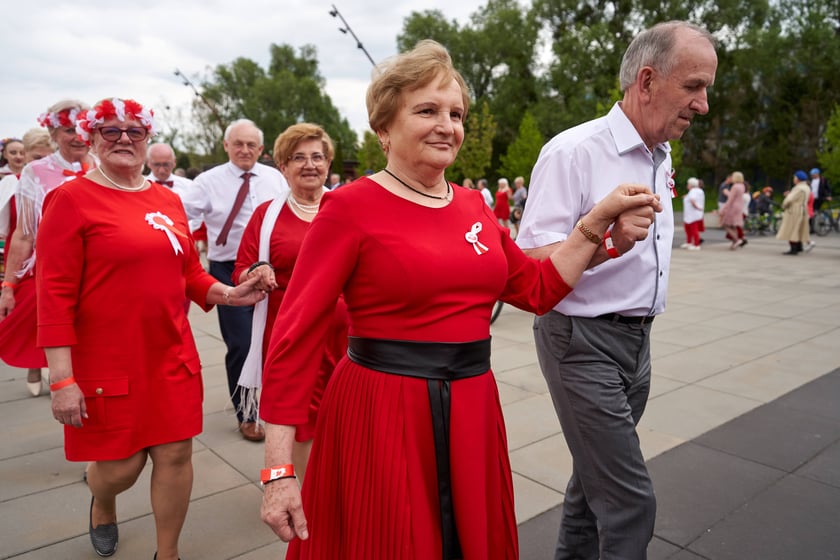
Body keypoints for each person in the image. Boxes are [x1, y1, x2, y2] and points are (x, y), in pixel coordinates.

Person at [258, 39, 661, 559]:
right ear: (383, 128)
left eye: (456, 113)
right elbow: (294, 337)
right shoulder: (348, 208)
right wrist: (278, 470)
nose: (447, 125)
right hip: (381, 411)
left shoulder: (472, 205)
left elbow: (536, 289)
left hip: (471, 406)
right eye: (427, 110)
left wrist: (596, 232)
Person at [516, 21, 717, 559]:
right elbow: (530, 263)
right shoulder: (574, 151)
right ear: (647, 80)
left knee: (591, 490)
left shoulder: (661, 153)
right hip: (581, 342)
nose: (702, 105)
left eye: (706, 90)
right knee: (631, 504)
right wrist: (604, 240)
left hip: (637, 344)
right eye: (693, 87)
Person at [36, 98, 268, 560]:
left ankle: (169, 553)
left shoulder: (167, 199)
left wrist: (229, 292)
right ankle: (103, 503)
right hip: (106, 360)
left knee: (176, 456)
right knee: (120, 468)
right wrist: (62, 379)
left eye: (134, 131)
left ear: (147, 139)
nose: (123, 138)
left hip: (170, 352)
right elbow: (53, 294)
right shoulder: (70, 199)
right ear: (93, 138)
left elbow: (187, 273)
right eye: (110, 130)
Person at [233, 123, 349, 481]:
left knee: (345, 414)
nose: (309, 164)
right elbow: (240, 270)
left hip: (347, 337)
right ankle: (304, 494)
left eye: (317, 156)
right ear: (282, 166)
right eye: (298, 157)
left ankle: (338, 484)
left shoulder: (347, 209)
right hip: (290, 334)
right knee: (300, 418)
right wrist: (258, 270)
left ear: (328, 163)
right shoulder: (267, 215)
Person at [180, 119, 288, 442]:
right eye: (238, 144)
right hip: (227, 269)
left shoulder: (276, 178)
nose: (244, 150)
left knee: (277, 340)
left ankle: (278, 405)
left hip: (273, 269)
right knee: (241, 342)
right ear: (226, 146)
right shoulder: (206, 181)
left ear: (261, 150)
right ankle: (247, 412)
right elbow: (178, 218)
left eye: (251, 145)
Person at [0, 100, 95, 397]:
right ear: (53, 133)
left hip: (102, 271)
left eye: (82, 128)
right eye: (69, 129)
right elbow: (24, 234)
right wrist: (8, 285)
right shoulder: (35, 172)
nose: (78, 135)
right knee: (60, 343)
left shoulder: (106, 165)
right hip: (57, 274)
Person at [777, 170, 812, 255]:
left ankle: (793, 248)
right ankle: (799, 246)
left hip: (794, 210)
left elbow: (789, 199)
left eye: (794, 177)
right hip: (803, 209)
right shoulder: (807, 187)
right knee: (799, 228)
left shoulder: (798, 188)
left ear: (797, 179)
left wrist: (784, 205)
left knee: (792, 228)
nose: (794, 179)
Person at [720, 171, 747, 249]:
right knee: (734, 225)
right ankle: (734, 242)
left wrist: (724, 209)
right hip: (739, 206)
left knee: (726, 224)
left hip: (733, 207)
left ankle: (737, 240)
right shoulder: (742, 186)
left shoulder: (735, 186)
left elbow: (730, 199)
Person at [681, 177, 705, 250]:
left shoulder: (693, 191)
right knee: (689, 229)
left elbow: (692, 200)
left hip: (691, 215)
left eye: (688, 184)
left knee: (693, 230)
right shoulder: (698, 191)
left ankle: (696, 244)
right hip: (693, 214)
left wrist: (697, 207)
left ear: (691, 184)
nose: (687, 185)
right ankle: (689, 242)